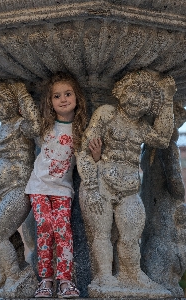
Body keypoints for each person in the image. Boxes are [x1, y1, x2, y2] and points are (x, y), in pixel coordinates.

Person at [77, 70, 175, 297]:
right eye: (133, 91)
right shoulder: (106, 114)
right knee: (101, 235)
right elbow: (84, 150)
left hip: (130, 188)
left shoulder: (141, 126)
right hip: (100, 183)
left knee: (131, 236)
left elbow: (162, 138)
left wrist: (168, 99)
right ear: (120, 91)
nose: (137, 99)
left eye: (145, 96)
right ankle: (104, 276)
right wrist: (91, 185)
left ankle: (132, 274)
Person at [25, 72, 87, 298]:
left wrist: (97, 154)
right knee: (44, 227)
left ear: (77, 97)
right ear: (49, 102)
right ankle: (46, 281)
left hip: (62, 189)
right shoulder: (45, 124)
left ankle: (65, 281)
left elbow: (89, 160)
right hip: (39, 186)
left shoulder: (81, 131)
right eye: (56, 96)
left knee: (63, 230)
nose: (63, 99)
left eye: (68, 94)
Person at [0, 80, 41, 297]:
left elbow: (36, 126)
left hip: (18, 189)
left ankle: (15, 276)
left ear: (15, 102)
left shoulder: (21, 125)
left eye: (5, 101)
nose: (0, 106)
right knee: (7, 236)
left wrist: (21, 93)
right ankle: (7, 274)